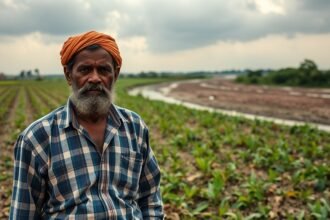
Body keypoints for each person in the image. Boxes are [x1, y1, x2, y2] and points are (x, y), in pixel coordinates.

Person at [9, 31, 164, 219]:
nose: (95, 78)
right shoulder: (37, 138)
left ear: (115, 74)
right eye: (85, 70)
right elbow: (23, 214)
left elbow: (150, 198)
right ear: (68, 75)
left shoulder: (135, 128)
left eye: (104, 70)